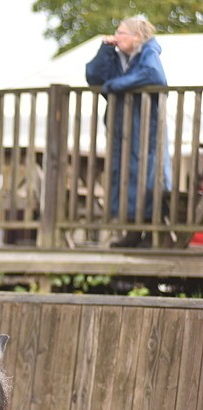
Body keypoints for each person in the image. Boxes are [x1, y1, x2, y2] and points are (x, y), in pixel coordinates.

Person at [85, 16, 172, 248]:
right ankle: (131, 231)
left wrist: (115, 86)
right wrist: (105, 49)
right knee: (122, 176)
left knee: (147, 176)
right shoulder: (116, 56)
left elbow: (155, 77)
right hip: (120, 127)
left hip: (144, 127)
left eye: (122, 32)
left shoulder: (148, 52)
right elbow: (93, 76)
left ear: (136, 36)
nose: (117, 35)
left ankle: (147, 233)